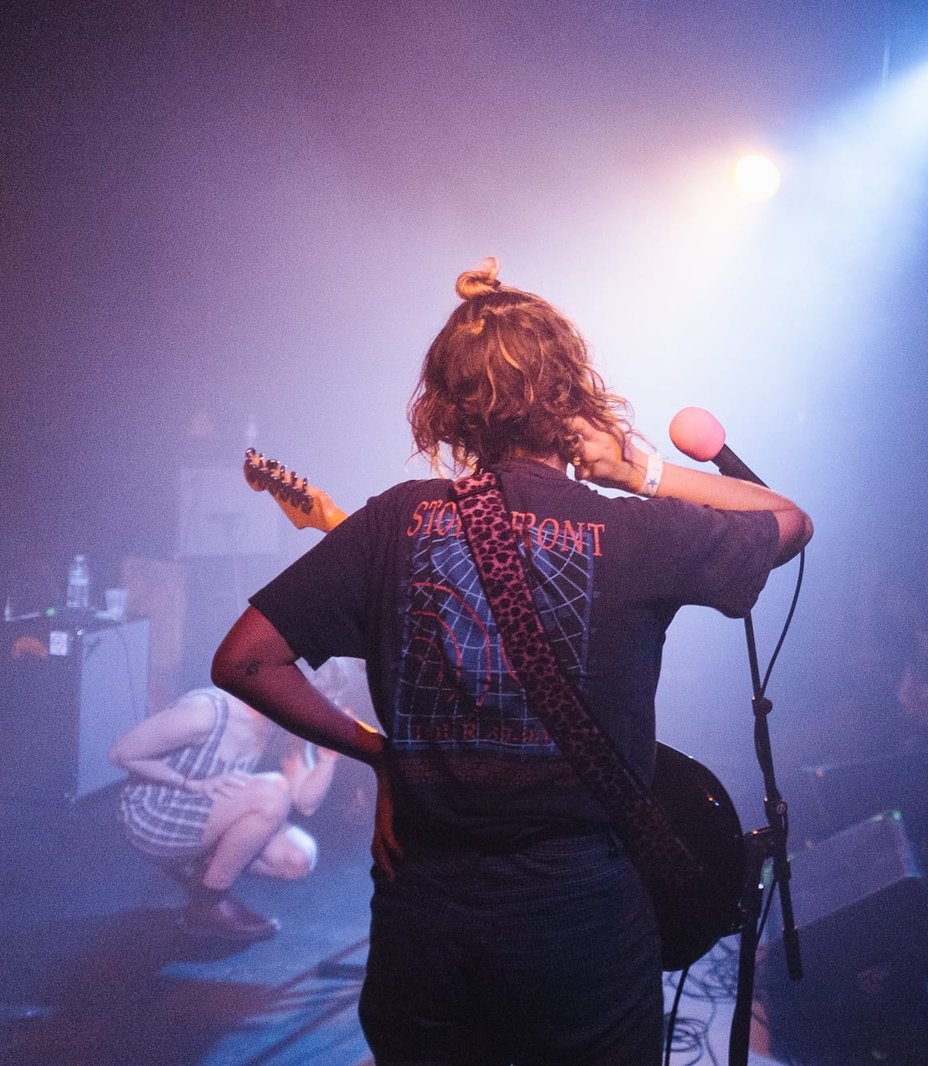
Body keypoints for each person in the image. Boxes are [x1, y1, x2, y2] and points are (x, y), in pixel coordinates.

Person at [211, 258, 812, 1065]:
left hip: (426, 925)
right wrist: (642, 472)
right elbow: (791, 519)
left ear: (446, 412)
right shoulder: (636, 531)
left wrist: (380, 754)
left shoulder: (393, 523)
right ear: (571, 400)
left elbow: (246, 660)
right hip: (580, 929)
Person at [110, 683, 343, 941]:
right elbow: (121, 753)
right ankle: (209, 902)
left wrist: (328, 757)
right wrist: (190, 783)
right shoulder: (207, 710)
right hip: (154, 813)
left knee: (298, 858)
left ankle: (199, 870)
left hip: (210, 813)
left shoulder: (280, 722)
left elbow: (305, 802)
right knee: (272, 793)